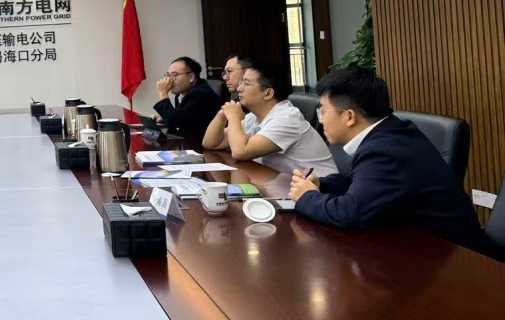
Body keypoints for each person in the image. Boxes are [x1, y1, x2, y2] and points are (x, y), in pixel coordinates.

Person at [289, 69, 492, 256]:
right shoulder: (390, 132)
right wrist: (323, 184)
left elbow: (349, 214)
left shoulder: (384, 148)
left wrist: (307, 197)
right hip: (419, 247)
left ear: (349, 116)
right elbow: (363, 182)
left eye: (323, 111)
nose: (320, 120)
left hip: (457, 258)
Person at [202, 57, 337, 176]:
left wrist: (233, 118)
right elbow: (211, 143)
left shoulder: (286, 119)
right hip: (285, 184)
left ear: (268, 93)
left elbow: (240, 152)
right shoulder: (254, 117)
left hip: (321, 190)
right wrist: (222, 115)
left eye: (246, 83)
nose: (239, 89)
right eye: (241, 82)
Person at [153, 56, 221, 139]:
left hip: (202, 143)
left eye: (174, 75)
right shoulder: (181, 94)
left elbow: (177, 125)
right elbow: (182, 118)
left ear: (191, 77)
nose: (169, 80)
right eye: (168, 75)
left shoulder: (200, 94)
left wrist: (163, 93)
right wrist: (164, 117)